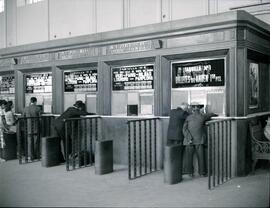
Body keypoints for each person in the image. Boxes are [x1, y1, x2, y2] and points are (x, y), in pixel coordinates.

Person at [182, 103, 217, 177]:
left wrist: (189, 138)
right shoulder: (202, 116)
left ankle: (190, 173)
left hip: (189, 141)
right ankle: (202, 173)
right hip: (199, 140)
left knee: (189, 158)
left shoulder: (188, 117)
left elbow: (184, 129)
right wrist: (215, 114)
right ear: (200, 110)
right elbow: (211, 114)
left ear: (193, 110)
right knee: (201, 157)